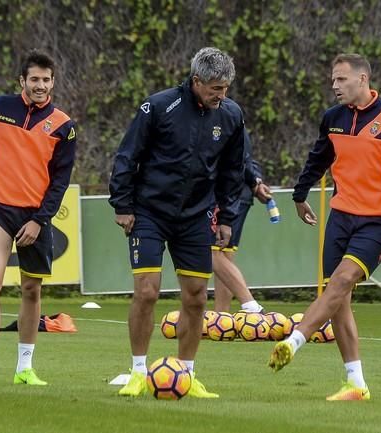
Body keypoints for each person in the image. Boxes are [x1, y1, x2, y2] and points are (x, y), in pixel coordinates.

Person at [268, 54, 381, 401]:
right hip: (340, 218)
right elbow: (319, 157)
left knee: (341, 281)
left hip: (377, 222)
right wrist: (300, 194)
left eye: (341, 80)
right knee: (339, 300)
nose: (334, 86)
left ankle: (295, 340)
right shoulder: (332, 118)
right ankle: (356, 384)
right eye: (333, 80)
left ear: (362, 79)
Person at [109, 47, 245, 398]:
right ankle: (138, 372)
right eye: (215, 88)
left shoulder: (231, 115)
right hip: (149, 213)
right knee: (147, 291)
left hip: (196, 217)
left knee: (197, 297)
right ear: (196, 81)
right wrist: (122, 205)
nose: (222, 95)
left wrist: (227, 217)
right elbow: (128, 155)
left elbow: (233, 170)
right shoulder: (157, 106)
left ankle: (186, 374)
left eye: (226, 87)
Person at [0, 49, 77, 386]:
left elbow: (60, 181)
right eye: (34, 79)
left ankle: (24, 368)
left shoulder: (64, 126)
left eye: (45, 80)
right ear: (23, 81)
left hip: (35, 217)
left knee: (31, 290)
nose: (40, 85)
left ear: (53, 82)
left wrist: (40, 220)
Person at [211, 129, 272, 313]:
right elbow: (247, 160)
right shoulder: (234, 121)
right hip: (239, 195)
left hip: (227, 196)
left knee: (210, 251)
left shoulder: (223, 120)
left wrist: (254, 183)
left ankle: (250, 304)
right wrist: (256, 183)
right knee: (224, 255)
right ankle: (222, 316)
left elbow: (239, 160)